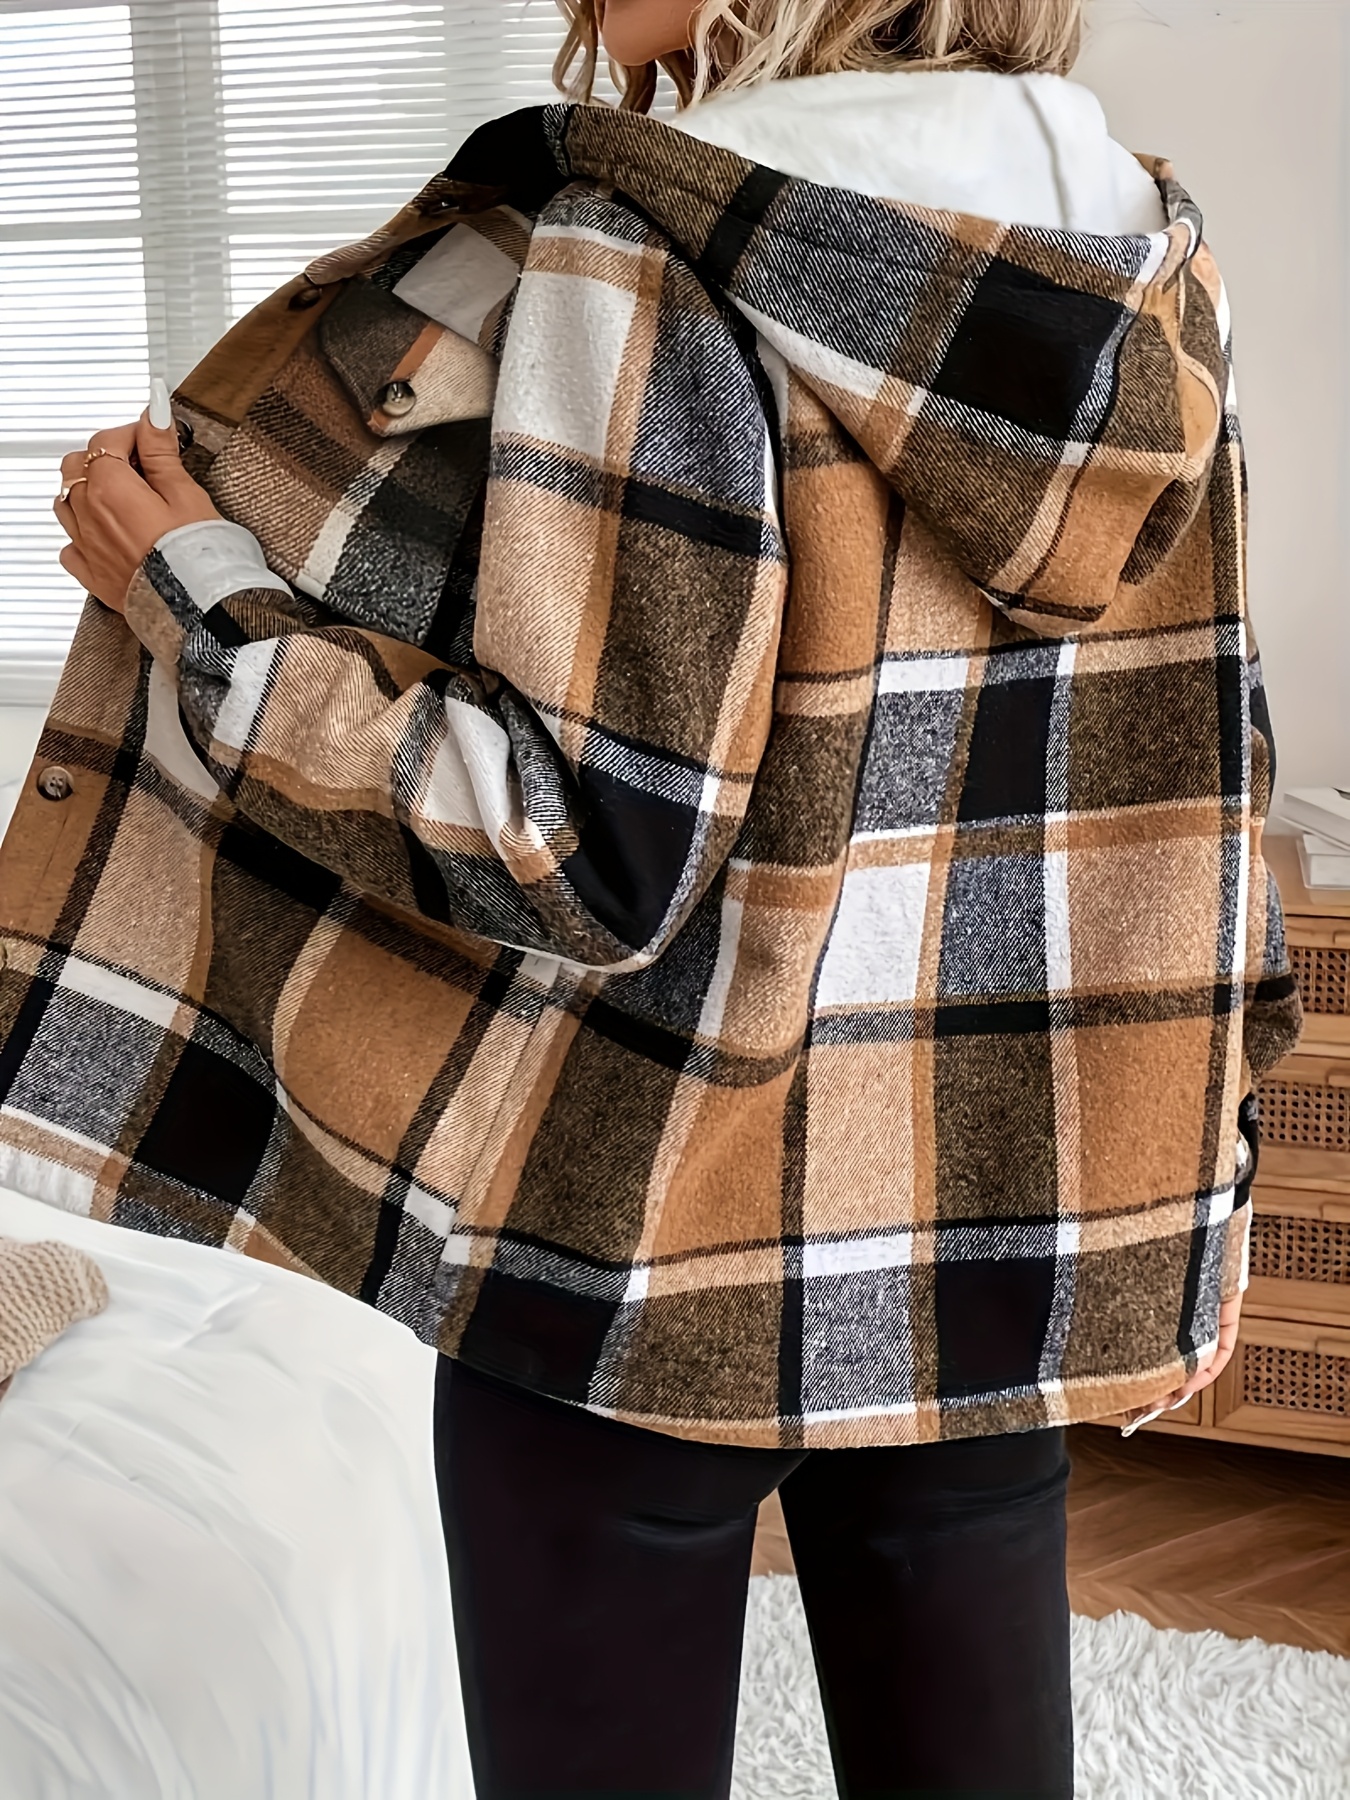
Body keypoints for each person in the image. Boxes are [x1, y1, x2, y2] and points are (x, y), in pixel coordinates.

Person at [23, 0, 1302, 1792]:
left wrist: (196, 594)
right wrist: (1202, 1189)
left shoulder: (647, 246)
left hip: (640, 1222)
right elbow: (1206, 781)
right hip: (998, 1206)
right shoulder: (1136, 254)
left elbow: (564, 842)